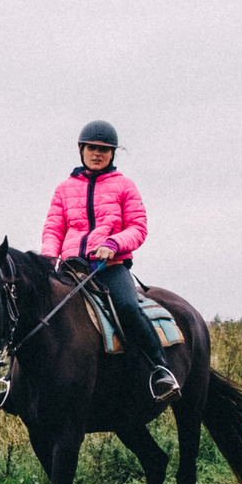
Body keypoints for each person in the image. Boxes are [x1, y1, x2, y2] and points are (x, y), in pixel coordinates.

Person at [38, 119, 181, 402]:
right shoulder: (64, 189)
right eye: (92, 148)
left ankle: (160, 369)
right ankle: (10, 378)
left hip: (109, 267)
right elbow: (54, 229)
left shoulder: (125, 186)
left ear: (112, 153)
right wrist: (48, 258)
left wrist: (113, 244)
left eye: (104, 149)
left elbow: (138, 227)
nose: (97, 153)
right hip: (70, 268)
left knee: (127, 307)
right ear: (81, 149)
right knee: (37, 308)